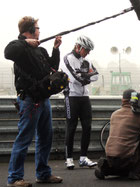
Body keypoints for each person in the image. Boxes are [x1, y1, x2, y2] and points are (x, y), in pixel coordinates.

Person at [4, 16, 65, 187]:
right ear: (30, 30)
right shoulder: (19, 47)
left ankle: (43, 174)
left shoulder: (40, 50)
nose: (40, 32)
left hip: (43, 99)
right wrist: (26, 43)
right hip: (29, 101)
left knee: (46, 137)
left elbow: (51, 67)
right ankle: (14, 178)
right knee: (24, 138)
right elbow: (7, 52)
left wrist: (55, 49)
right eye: (38, 28)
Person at [95, 89, 140, 180]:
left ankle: (105, 169)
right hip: (127, 159)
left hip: (110, 157)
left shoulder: (114, 114)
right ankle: (137, 172)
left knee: (121, 165)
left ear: (122, 100)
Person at [60, 35, 99, 170]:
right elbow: (75, 79)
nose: (88, 53)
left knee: (87, 126)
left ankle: (83, 158)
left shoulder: (86, 60)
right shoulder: (67, 58)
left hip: (84, 97)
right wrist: (86, 76)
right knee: (71, 127)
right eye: (86, 49)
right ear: (78, 47)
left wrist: (84, 76)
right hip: (71, 96)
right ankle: (69, 158)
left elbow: (96, 76)